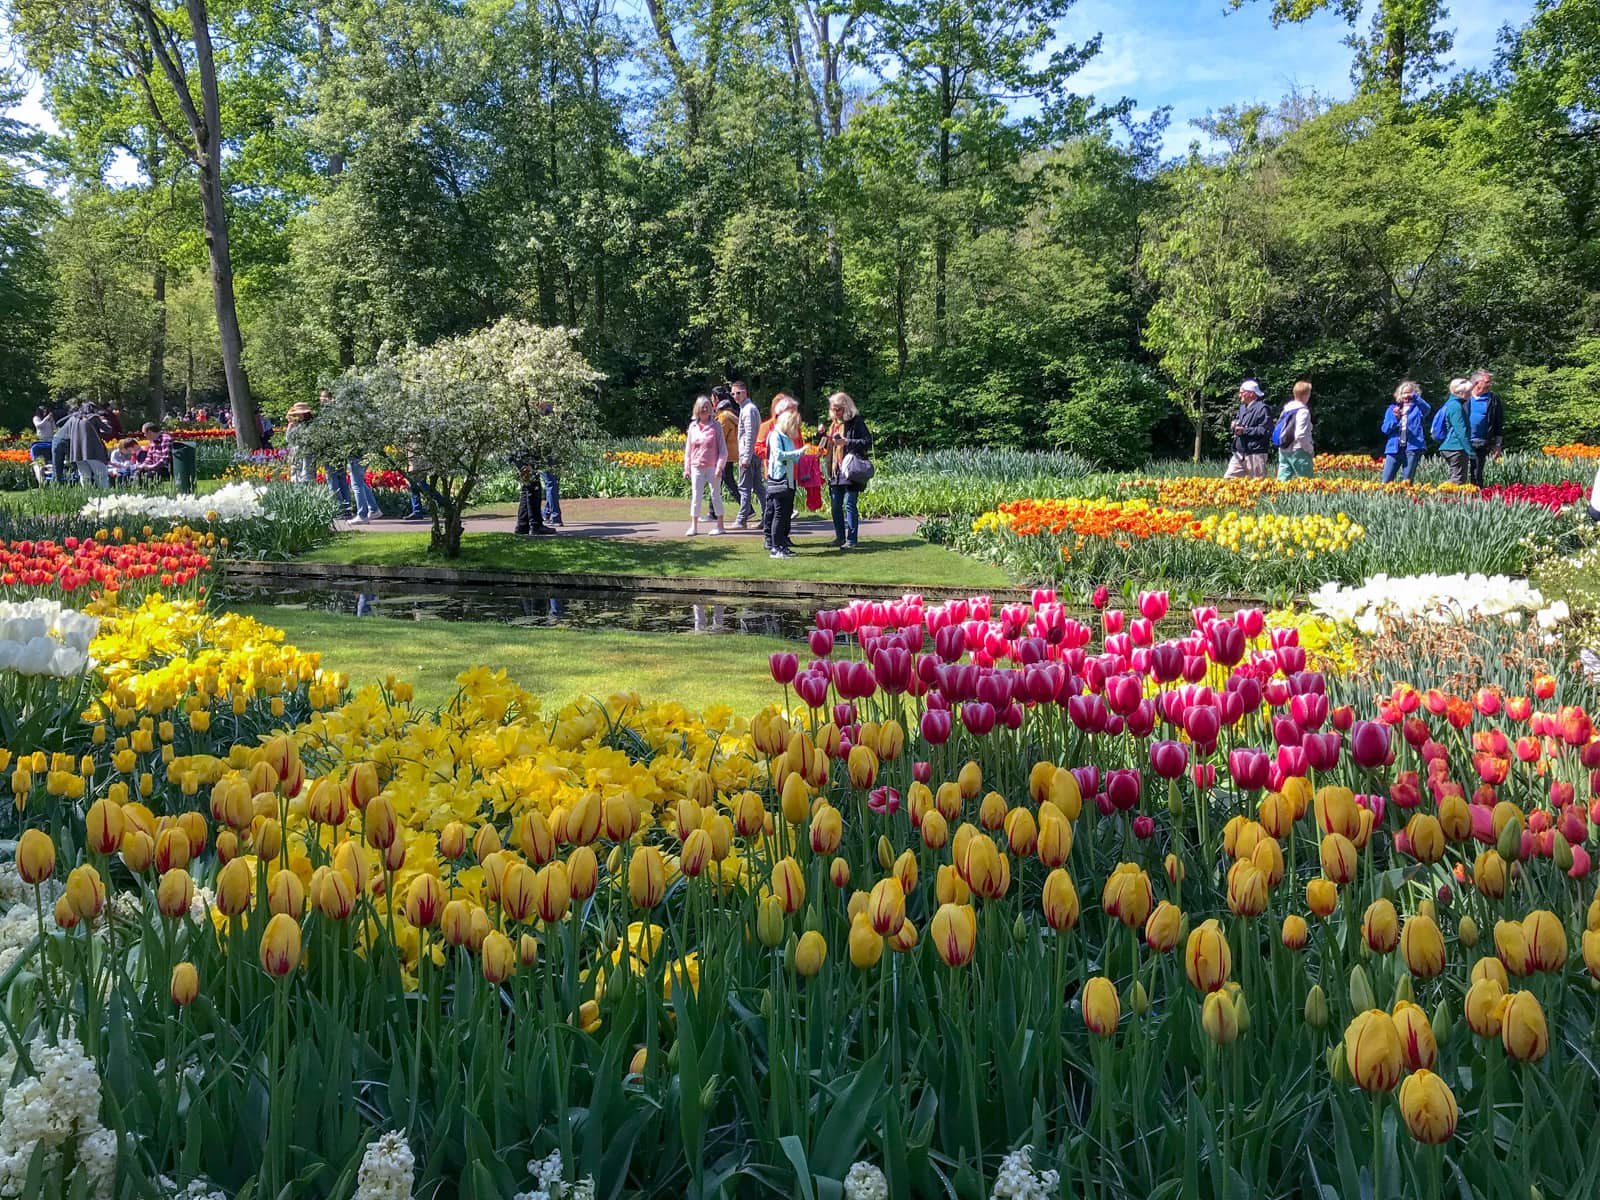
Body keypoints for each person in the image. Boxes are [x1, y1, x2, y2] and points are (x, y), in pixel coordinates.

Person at [823, 391, 872, 548]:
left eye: (838, 409)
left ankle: (852, 540)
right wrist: (823, 436)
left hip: (850, 468)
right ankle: (840, 537)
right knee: (836, 505)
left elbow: (866, 441)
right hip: (836, 470)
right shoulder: (834, 424)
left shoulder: (856, 422)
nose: (835, 412)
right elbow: (831, 445)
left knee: (849, 503)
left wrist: (847, 442)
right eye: (833, 409)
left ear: (846, 407)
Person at [683, 395, 728, 536]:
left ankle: (720, 525)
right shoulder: (693, 427)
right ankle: (694, 526)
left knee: (715, 495)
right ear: (697, 410)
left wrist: (719, 467)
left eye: (707, 408)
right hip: (697, 465)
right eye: (702, 408)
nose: (704, 410)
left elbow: (723, 450)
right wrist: (687, 468)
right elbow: (688, 450)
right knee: (696, 495)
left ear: (711, 409)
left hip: (712, 466)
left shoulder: (716, 426)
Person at [763, 409, 805, 559]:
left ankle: (783, 545)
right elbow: (778, 455)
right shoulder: (775, 435)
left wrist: (801, 455)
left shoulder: (787, 437)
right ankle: (775, 547)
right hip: (779, 478)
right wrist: (797, 452)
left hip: (789, 478)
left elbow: (793, 459)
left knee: (786, 514)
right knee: (779, 513)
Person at [1380, 381, 1431, 483]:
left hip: (1412, 448)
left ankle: (1406, 497)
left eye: (1409, 393)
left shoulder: (1418, 409)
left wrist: (1415, 397)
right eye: (1404, 393)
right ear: (1399, 394)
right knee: (1386, 480)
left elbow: (1427, 409)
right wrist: (1396, 418)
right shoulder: (1392, 409)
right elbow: (1385, 429)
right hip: (1394, 448)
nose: (1406, 395)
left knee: (1407, 481)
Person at [1224, 381, 1271, 479]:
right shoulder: (1242, 408)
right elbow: (1238, 420)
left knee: (1258, 486)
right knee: (1228, 480)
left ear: (1251, 393)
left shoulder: (1263, 409)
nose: (1239, 394)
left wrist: (1244, 430)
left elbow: (1264, 430)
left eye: (1242, 392)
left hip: (1256, 454)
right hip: (1239, 454)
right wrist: (1234, 424)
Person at [733, 381, 764, 529]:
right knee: (758, 487)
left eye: (738, 393)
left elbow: (750, 434)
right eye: (733, 393)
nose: (735, 396)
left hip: (749, 454)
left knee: (744, 488)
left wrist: (745, 457)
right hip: (753, 453)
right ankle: (767, 517)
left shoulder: (748, 410)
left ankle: (741, 519)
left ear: (745, 392)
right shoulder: (747, 409)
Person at [1435, 377, 1475, 485]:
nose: (1470, 394)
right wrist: (1470, 451)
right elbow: (1460, 430)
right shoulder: (1456, 406)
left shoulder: (1449, 403)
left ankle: (1445, 498)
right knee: (1458, 480)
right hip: (1456, 447)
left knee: (1454, 476)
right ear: (1461, 392)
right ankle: (1442, 497)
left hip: (1448, 447)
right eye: (1469, 392)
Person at [1467, 370, 1503, 488]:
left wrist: (1497, 445)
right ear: (1477, 382)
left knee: (1477, 473)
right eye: (1487, 382)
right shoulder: (1464, 397)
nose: (1490, 384)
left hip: (1481, 442)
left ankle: (1476, 498)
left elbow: (1498, 423)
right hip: (1462, 440)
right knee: (1459, 473)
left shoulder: (1493, 399)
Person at [1275, 381, 1315, 481]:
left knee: (1282, 483)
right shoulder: (1303, 411)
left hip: (1283, 449)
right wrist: (1309, 449)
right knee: (1306, 484)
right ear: (1306, 395)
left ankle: (1280, 497)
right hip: (1299, 450)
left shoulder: (1286, 410)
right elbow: (1300, 435)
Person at [65, 404, 111, 488]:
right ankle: (105, 495)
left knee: (84, 476)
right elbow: (108, 430)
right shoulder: (94, 417)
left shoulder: (73, 418)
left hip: (77, 452)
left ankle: (87, 495)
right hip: (93, 452)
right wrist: (104, 421)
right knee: (101, 475)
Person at [713, 386, 739, 511]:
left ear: (716, 398)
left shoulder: (724, 416)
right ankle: (712, 511)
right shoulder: (728, 414)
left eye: (712, 398)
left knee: (725, 480)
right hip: (728, 453)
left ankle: (748, 509)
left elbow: (719, 436)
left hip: (724, 454)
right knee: (721, 480)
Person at [284, 403, 317, 482]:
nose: (297, 415)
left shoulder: (311, 423)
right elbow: (288, 439)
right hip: (296, 455)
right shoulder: (296, 424)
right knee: (296, 478)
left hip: (307, 454)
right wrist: (290, 426)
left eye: (298, 413)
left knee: (306, 477)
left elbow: (307, 439)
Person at [28, 406, 54, 486]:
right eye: (43, 411)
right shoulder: (36, 418)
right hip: (40, 440)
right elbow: (39, 426)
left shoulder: (48, 419)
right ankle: (41, 481)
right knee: (39, 462)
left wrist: (52, 421)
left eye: (46, 410)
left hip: (50, 440)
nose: (45, 412)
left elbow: (54, 427)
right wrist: (46, 419)